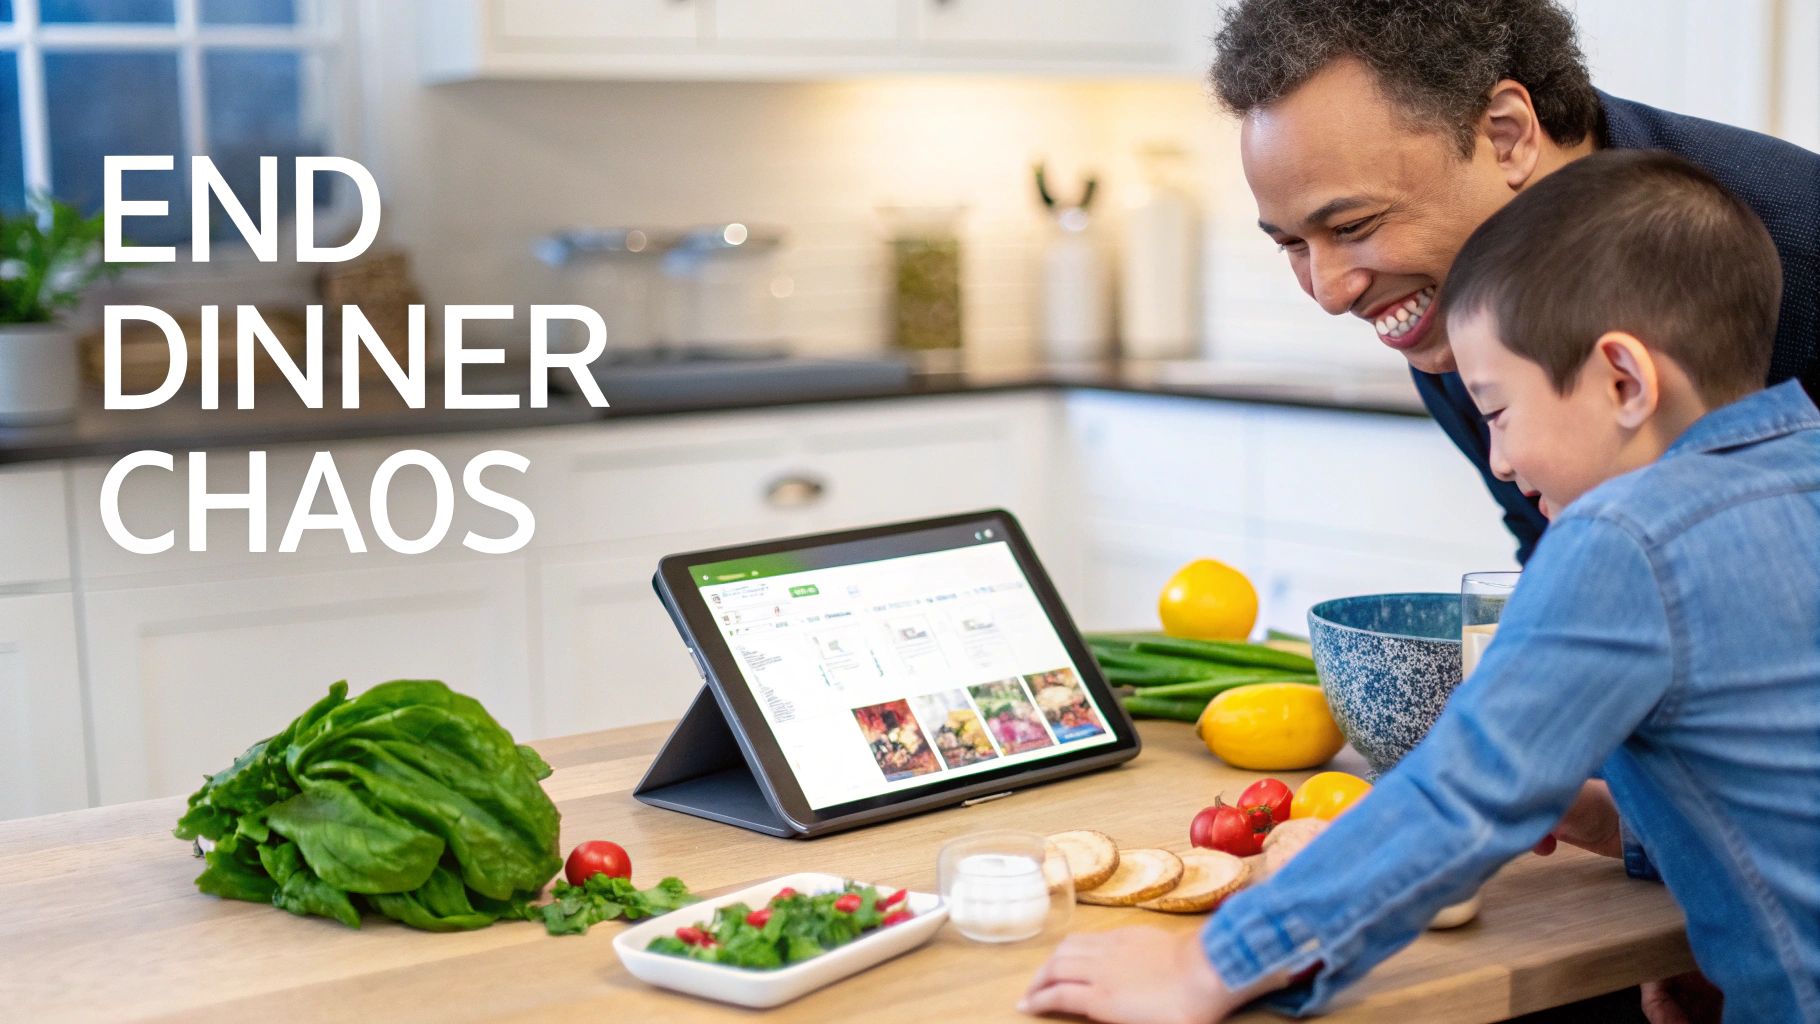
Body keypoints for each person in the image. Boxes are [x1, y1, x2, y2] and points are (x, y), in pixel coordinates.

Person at [1020, 151, 1820, 1023]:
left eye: (1501, 409)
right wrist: (1618, 824)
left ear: (1623, 380)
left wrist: (1204, 968)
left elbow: (1458, 796)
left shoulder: (1625, 538)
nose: (1502, 461)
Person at [1207, 0, 1819, 562]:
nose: (1333, 293)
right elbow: (1560, 559)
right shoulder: (1450, 315)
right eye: (1291, 243)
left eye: (1354, 224)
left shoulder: (1802, 245)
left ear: (1507, 137)